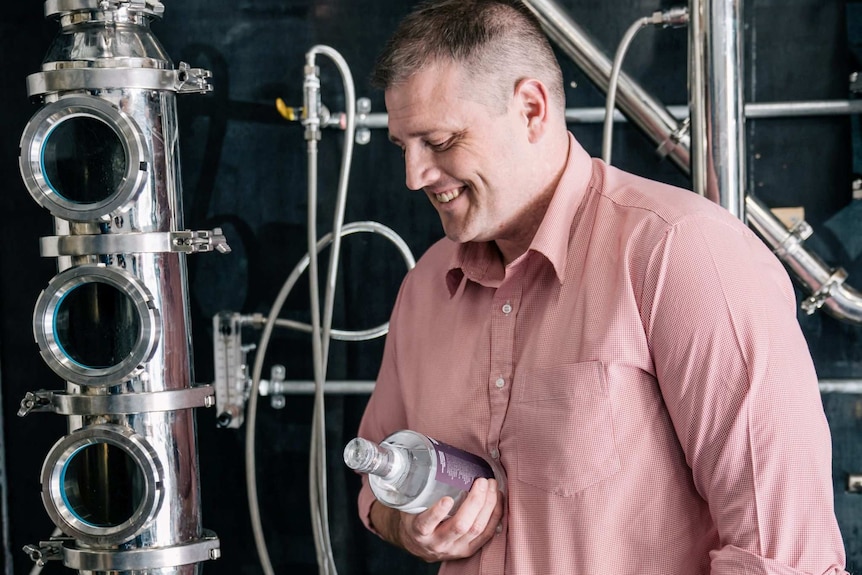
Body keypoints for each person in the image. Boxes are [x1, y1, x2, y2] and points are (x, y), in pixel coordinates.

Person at [352, 0, 849, 573]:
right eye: (402, 147)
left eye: (439, 142)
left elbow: (782, 554)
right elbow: (374, 479)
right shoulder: (425, 288)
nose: (414, 176)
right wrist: (411, 527)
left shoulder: (681, 253)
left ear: (532, 109)